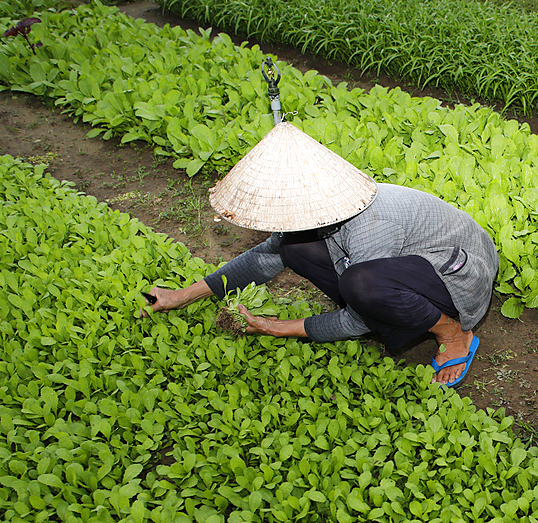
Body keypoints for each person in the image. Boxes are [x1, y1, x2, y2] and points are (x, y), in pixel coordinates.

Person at [141, 122, 499, 388]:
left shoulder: (371, 225)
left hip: (461, 274)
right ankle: (403, 315)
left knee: (362, 283)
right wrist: (181, 296)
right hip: (409, 267)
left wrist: (277, 329)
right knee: (291, 247)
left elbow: (357, 319)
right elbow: (263, 258)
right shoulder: (319, 211)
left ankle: (453, 334)